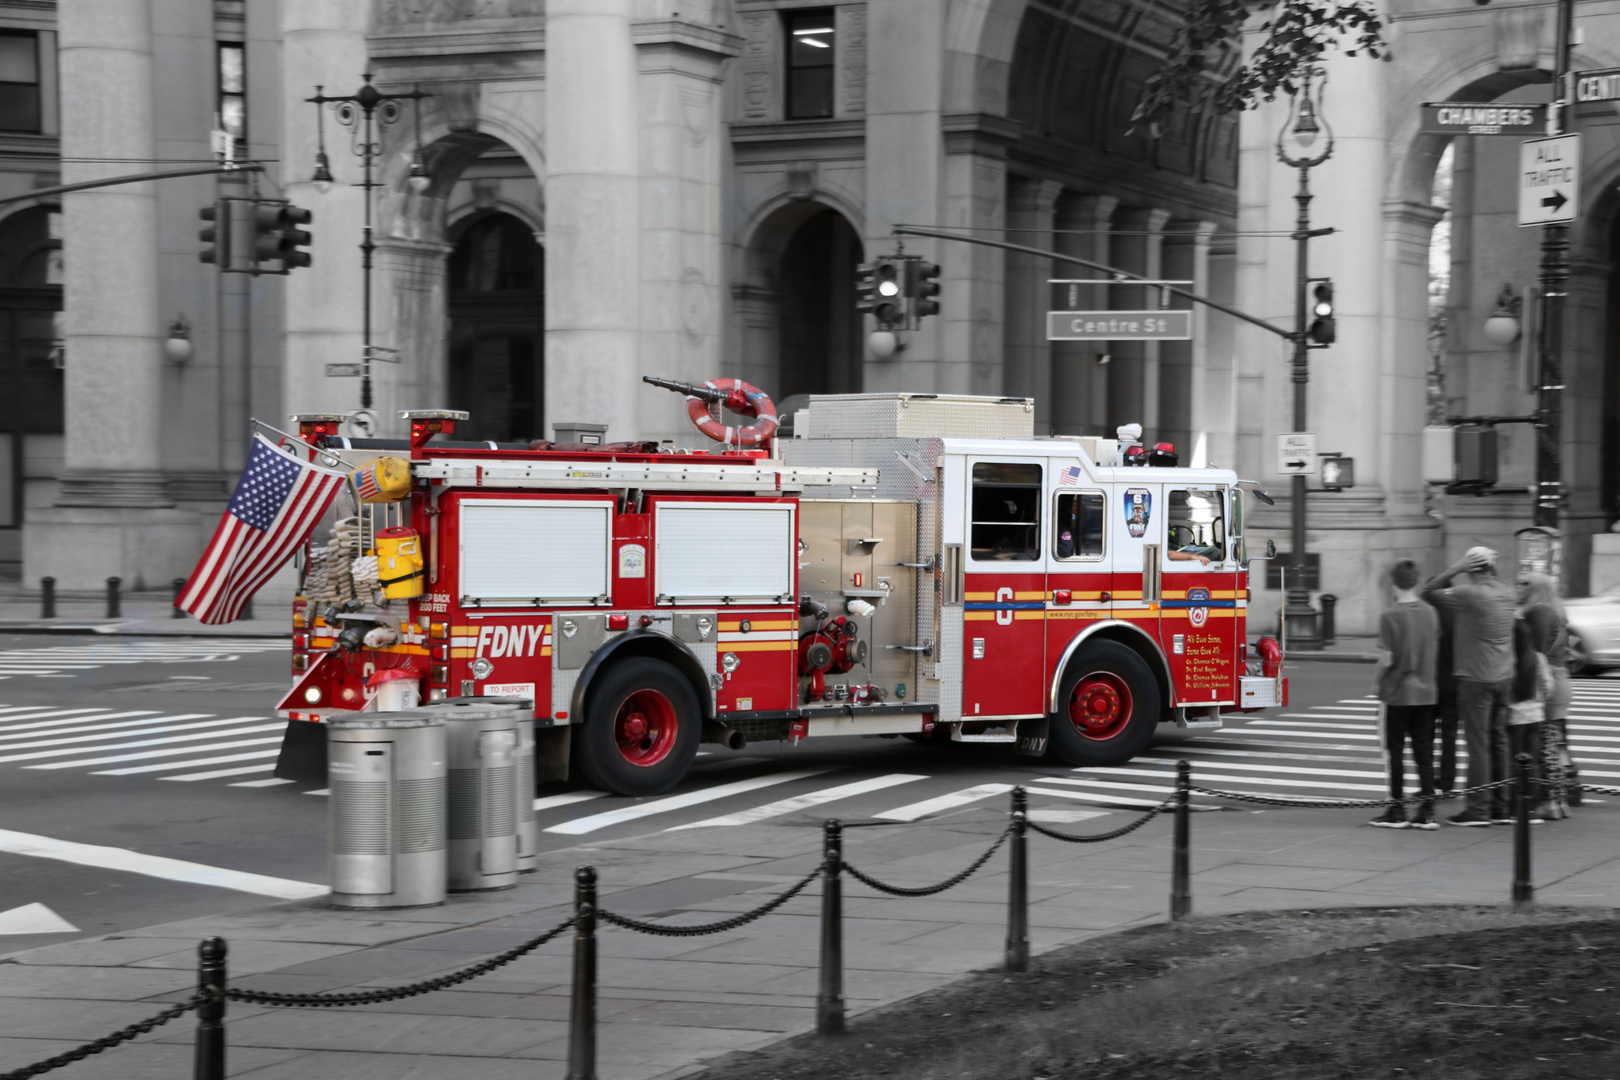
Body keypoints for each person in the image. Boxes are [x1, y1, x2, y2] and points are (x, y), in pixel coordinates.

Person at [1421, 546, 1517, 826]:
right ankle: (1502, 806)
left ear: (1472, 568)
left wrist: (1457, 566)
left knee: (1479, 747)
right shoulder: (1508, 591)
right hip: (1504, 677)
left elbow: (1428, 591)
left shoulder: (1468, 595)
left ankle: (1478, 810)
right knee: (1500, 742)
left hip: (1476, 679)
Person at [1370, 559, 1440, 829]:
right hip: (1427, 692)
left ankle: (1397, 808)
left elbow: (1387, 659)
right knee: (1424, 752)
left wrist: (1377, 683)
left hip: (1398, 692)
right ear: (1416, 580)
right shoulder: (1430, 613)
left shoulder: (1390, 616)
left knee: (1395, 752)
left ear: (1393, 583)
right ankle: (1427, 810)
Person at [1519, 572, 1575, 818]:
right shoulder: (1556, 612)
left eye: (1524, 583)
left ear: (1537, 588)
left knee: (1546, 744)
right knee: (1555, 742)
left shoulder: (1539, 611)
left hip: (1548, 681)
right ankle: (1559, 801)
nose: (1518, 587)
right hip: (1559, 677)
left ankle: (1549, 801)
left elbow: (1536, 652)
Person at [1433, 602, 1461, 798]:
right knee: (1449, 736)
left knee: (1425, 737)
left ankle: (1427, 783)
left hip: (1432, 684)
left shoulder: (1429, 616)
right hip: (1454, 684)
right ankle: (1447, 781)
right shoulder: (1459, 617)